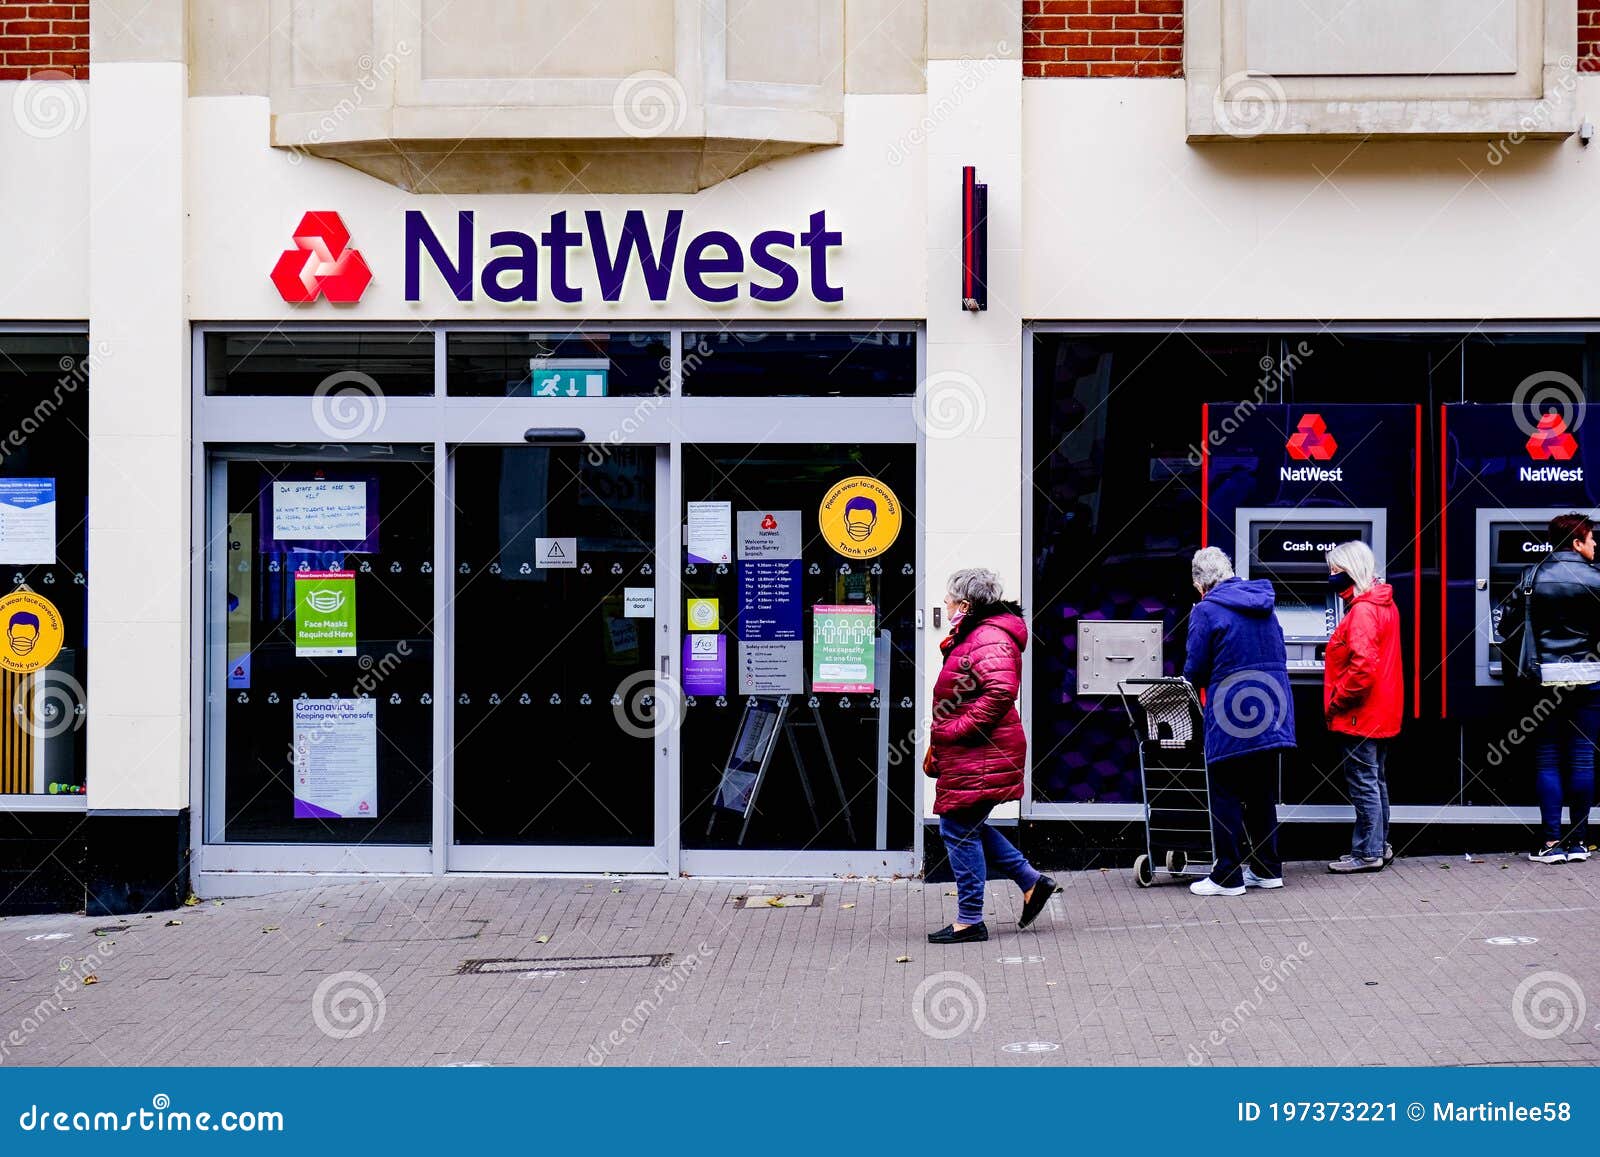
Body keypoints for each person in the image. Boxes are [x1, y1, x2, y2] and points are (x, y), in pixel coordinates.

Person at [924, 568, 1057, 943]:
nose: (945, 606)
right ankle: (1032, 883)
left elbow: (1000, 692)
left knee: (957, 828)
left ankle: (970, 920)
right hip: (979, 751)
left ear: (965, 605)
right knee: (965, 825)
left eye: (949, 600)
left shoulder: (989, 636)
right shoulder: (978, 634)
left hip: (984, 750)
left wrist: (955, 728)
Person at [1181, 546, 1296, 896]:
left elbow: (1195, 669)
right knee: (1261, 790)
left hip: (1231, 711)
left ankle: (1228, 876)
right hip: (1270, 707)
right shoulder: (1262, 602)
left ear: (1202, 583)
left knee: (1225, 790)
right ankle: (1267, 869)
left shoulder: (1206, 610)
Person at [1322, 541, 1403, 873]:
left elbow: (1362, 668)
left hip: (1360, 713)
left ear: (1350, 571)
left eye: (1335, 570)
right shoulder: (1383, 603)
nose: (1330, 576)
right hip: (1382, 710)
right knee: (1376, 780)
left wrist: (1338, 701)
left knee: (1364, 782)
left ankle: (1367, 853)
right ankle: (1379, 846)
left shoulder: (1363, 611)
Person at [1524, 512, 1600, 864]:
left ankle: (1551, 843)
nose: (1595, 544)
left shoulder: (1532, 576)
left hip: (1546, 679)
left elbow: (1505, 621)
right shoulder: (1597, 579)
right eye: (1591, 538)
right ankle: (1580, 842)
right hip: (1589, 676)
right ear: (1575, 542)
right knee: (1583, 758)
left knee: (1548, 758)